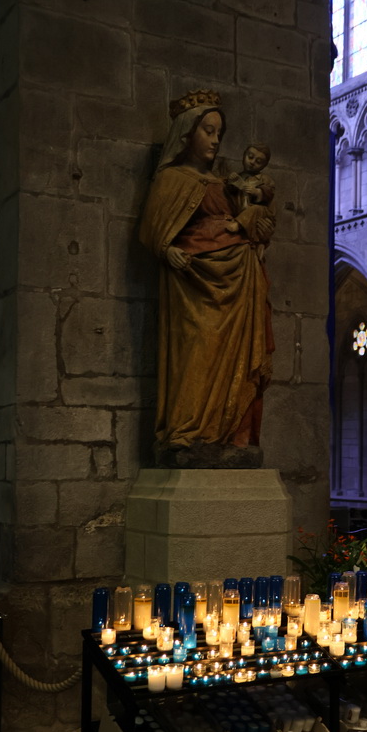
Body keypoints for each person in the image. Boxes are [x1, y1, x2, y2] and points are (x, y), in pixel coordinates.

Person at [139, 90, 275, 467]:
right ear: (187, 134)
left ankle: (228, 434)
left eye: (219, 133)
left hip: (240, 277)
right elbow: (152, 230)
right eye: (208, 131)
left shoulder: (224, 182)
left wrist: (257, 220)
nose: (216, 140)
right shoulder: (171, 179)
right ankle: (186, 434)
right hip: (195, 282)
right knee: (197, 351)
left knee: (235, 359)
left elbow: (255, 218)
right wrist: (167, 250)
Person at [227, 143, 275, 213]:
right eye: (250, 157)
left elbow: (269, 192)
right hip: (236, 211)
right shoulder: (239, 176)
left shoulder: (264, 179)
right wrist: (231, 182)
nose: (252, 162)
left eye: (258, 162)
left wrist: (257, 192)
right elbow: (230, 194)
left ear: (264, 165)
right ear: (244, 155)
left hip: (253, 212)